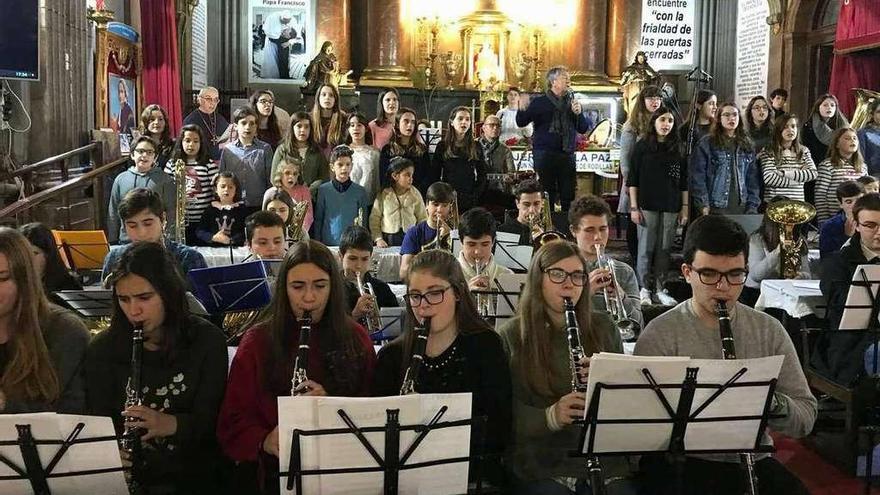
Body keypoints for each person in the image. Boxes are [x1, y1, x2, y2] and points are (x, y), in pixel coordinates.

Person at [635, 214, 816, 495]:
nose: (723, 287)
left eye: (735, 274)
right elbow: (638, 428)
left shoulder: (769, 329)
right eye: (709, 274)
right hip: (685, 461)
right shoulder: (660, 334)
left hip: (752, 456)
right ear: (686, 272)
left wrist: (769, 401)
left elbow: (805, 417)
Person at [216, 240, 377, 491]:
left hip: (341, 471)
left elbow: (374, 411)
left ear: (333, 288)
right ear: (284, 289)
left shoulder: (356, 338)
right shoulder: (257, 341)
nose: (309, 298)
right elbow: (231, 420)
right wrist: (265, 440)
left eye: (320, 286)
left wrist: (329, 405)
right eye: (297, 286)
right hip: (274, 474)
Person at [87, 241, 228, 492]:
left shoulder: (207, 341)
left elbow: (216, 425)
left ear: (168, 293)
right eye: (124, 299)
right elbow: (94, 422)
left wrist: (170, 424)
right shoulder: (103, 349)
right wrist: (107, 456)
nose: (134, 310)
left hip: (193, 479)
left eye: (144, 297)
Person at [373, 249, 512, 486]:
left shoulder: (486, 345)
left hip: (472, 477)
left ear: (457, 292)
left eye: (435, 293)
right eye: (415, 296)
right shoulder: (392, 357)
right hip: (407, 479)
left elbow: (500, 429)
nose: (423, 306)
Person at [498, 241, 625, 494]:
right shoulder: (511, 335)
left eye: (577, 275)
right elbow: (503, 415)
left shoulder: (604, 327)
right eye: (557, 274)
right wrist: (551, 416)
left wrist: (607, 381)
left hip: (604, 460)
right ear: (538, 279)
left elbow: (630, 402)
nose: (569, 284)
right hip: (543, 461)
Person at [0, 227, 89, 414]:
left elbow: (71, 417)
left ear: (25, 279)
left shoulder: (65, 332)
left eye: (2, 278)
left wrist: (6, 405)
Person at [628, 105, 688, 306]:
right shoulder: (642, 146)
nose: (666, 124)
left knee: (665, 249)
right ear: (654, 121)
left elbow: (684, 181)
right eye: (662, 120)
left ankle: (660, 288)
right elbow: (633, 179)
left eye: (670, 121)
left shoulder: (678, 147)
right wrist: (634, 207)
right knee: (645, 248)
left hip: (671, 204)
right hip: (647, 204)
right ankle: (644, 288)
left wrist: (685, 207)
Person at [818, 193, 880, 384]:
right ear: (856, 226)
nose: (879, 232)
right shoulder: (837, 263)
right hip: (853, 345)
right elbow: (843, 312)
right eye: (871, 225)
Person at [516, 66, 593, 212]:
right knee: (546, 193)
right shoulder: (540, 102)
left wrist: (578, 113)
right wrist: (522, 107)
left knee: (568, 194)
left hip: (566, 154)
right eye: (565, 77)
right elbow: (521, 122)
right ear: (554, 82)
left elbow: (582, 128)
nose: (569, 80)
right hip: (544, 154)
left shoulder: (572, 102)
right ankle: (547, 227)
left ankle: (566, 226)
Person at [102, 188, 207, 284]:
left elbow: (200, 303)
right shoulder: (114, 258)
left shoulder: (188, 259)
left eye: (148, 223)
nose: (141, 232)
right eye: (132, 226)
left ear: (163, 219)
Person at [569, 195, 645, 323]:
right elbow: (554, 321)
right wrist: (586, 293)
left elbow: (639, 324)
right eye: (589, 230)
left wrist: (622, 297)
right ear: (573, 231)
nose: (597, 237)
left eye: (603, 229)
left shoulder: (624, 271)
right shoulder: (563, 270)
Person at [618, 85, 663, 263]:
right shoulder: (633, 125)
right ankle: (636, 255)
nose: (655, 101)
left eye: (658, 98)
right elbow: (626, 156)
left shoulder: (664, 121)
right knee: (635, 219)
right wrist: (630, 182)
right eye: (651, 98)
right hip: (637, 179)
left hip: (656, 181)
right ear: (643, 101)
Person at [691, 102, 761, 215]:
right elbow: (698, 177)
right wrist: (703, 205)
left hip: (741, 207)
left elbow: (752, 179)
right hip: (715, 206)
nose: (731, 118)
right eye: (727, 115)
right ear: (719, 118)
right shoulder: (707, 143)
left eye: (735, 114)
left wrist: (752, 206)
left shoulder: (746, 144)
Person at [742, 195, 812, 306]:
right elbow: (756, 275)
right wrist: (778, 252)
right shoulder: (757, 239)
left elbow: (807, 273)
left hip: (787, 292)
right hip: (757, 294)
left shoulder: (799, 239)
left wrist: (800, 276)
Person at [108, 136, 177, 244]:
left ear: (155, 157)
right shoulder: (121, 179)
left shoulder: (165, 179)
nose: (144, 155)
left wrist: (169, 237)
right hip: (127, 241)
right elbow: (113, 211)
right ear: (132, 154)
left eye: (150, 152)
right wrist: (112, 239)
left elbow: (171, 211)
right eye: (140, 151)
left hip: (155, 241)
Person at [165, 124, 220, 244]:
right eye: (187, 140)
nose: (191, 145)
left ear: (201, 144)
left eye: (196, 141)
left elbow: (215, 190)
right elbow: (167, 189)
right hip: (180, 220)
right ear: (181, 142)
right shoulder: (172, 164)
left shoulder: (208, 164)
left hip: (203, 219)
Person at [338, 226, 398, 330]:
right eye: (352, 258)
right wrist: (355, 315)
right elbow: (329, 334)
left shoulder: (382, 288)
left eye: (365, 259)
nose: (359, 266)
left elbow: (396, 327)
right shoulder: (331, 289)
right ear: (341, 256)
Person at [219, 106, 274, 212]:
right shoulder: (228, 150)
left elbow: (270, 179)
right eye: (243, 123)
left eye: (252, 123)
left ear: (256, 126)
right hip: (234, 204)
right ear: (235, 126)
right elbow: (222, 177)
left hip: (258, 204)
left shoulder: (264, 149)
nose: (248, 127)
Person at [313, 145, 370, 245]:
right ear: (332, 167)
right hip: (328, 243)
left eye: (348, 164)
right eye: (340, 164)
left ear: (352, 166)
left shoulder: (360, 191)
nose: (344, 168)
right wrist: (318, 243)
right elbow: (319, 219)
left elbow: (363, 222)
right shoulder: (323, 190)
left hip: (352, 244)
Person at [399, 181, 455, 279]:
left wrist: (449, 237)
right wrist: (439, 238)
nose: (439, 210)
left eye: (445, 205)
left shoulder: (456, 234)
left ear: (450, 207)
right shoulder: (414, 232)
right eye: (435, 204)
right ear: (426, 205)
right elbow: (404, 272)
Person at [436, 106, 487, 213]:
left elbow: (482, 174)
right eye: (460, 119)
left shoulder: (476, 146)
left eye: (467, 119)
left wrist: (475, 195)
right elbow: (435, 174)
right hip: (448, 196)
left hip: (469, 196)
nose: (464, 122)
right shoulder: (442, 146)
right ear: (451, 122)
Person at [759, 113, 816, 203]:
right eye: (785, 127)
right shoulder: (769, 151)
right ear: (779, 130)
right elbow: (769, 178)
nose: (790, 130)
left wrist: (783, 173)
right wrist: (798, 181)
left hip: (798, 204)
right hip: (775, 204)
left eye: (793, 126)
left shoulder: (803, 150)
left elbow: (813, 174)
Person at [370, 156, 426, 247]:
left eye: (412, 175)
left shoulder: (415, 194)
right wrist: (378, 238)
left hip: (410, 237)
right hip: (388, 238)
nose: (411, 179)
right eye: (407, 175)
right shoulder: (384, 194)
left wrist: (420, 236)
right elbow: (374, 218)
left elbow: (422, 217)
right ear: (395, 176)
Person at [457, 207, 513, 298]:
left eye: (485, 244)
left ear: (493, 242)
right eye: (471, 244)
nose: (477, 252)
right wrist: (466, 296)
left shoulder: (507, 275)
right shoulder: (447, 275)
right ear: (461, 241)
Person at [815, 127, 867, 222]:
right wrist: (824, 221)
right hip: (835, 218)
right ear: (837, 144)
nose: (852, 140)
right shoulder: (827, 165)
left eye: (855, 138)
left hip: (860, 218)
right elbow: (820, 195)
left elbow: (867, 192)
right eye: (847, 138)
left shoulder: (863, 167)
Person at [378, 107, 433, 195]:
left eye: (413, 122)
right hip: (393, 196)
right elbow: (383, 177)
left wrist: (415, 193)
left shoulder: (422, 150)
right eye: (406, 121)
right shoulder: (388, 150)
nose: (410, 125)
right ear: (397, 124)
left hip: (416, 196)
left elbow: (427, 177)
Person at [18, 222, 83, 297]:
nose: (27, 259)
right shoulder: (14, 285)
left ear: (48, 255)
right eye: (23, 253)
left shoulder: (69, 286)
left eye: (34, 253)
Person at [271, 111, 329, 193]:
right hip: (287, 198)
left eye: (306, 127)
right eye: (299, 126)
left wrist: (309, 190)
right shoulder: (283, 150)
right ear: (292, 128)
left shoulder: (317, 151)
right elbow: (274, 177)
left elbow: (324, 177)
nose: (303, 130)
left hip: (311, 198)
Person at [262, 159, 313, 235]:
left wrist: (298, 232)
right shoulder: (271, 192)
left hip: (297, 234)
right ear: (280, 174)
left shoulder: (304, 191)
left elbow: (308, 215)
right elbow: (264, 216)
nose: (291, 177)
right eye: (287, 173)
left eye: (295, 174)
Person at [195, 171, 248, 247]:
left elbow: (246, 231)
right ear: (216, 189)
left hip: (236, 249)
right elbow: (200, 231)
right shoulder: (210, 209)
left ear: (236, 190)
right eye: (223, 186)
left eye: (230, 187)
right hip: (213, 250)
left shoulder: (242, 209)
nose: (226, 189)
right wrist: (213, 237)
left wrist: (232, 240)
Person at [819, 180, 865, 259]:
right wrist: (846, 237)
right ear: (840, 204)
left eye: (859, 200)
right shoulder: (830, 226)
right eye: (849, 201)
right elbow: (827, 260)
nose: (855, 205)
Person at [479, 114, 516, 213]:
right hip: (478, 191)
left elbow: (511, 173)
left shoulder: (505, 150)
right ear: (483, 128)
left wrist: (509, 178)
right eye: (491, 125)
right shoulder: (473, 146)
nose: (495, 128)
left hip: (498, 191)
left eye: (498, 126)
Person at [183, 86, 230, 161]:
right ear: (200, 99)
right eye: (208, 99)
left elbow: (229, 138)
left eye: (215, 100)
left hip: (221, 161)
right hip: (200, 161)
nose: (212, 103)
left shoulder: (220, 119)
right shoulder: (191, 120)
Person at [802, 93, 850, 165]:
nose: (829, 108)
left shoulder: (843, 127)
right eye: (825, 105)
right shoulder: (808, 127)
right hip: (814, 165)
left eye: (832, 105)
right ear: (818, 107)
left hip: (838, 165)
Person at [498, 179, 545, 246]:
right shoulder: (503, 231)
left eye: (536, 204)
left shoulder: (550, 231)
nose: (531, 210)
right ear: (517, 203)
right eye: (526, 204)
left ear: (542, 203)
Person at [347, 112, 380, 204]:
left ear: (365, 128)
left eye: (359, 125)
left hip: (367, 201)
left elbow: (377, 182)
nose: (355, 128)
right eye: (352, 125)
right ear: (348, 129)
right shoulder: (341, 150)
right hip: (345, 199)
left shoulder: (374, 153)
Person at [310, 83, 347, 157]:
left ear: (335, 99)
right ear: (318, 98)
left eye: (331, 95)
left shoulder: (343, 119)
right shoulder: (309, 118)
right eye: (323, 94)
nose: (327, 98)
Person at [679, 89, 717, 155]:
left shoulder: (717, 128)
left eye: (715, 104)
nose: (715, 107)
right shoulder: (685, 129)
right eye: (711, 103)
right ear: (698, 105)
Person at [260, 10, 294, 79]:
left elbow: (297, 37)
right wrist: (277, 36)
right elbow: (266, 31)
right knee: (272, 63)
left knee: (283, 61)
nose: (284, 24)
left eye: (286, 22)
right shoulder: (271, 17)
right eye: (283, 21)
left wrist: (289, 42)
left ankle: (283, 76)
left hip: (283, 43)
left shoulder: (292, 22)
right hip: (271, 44)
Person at [139, 104, 174, 169]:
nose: (157, 122)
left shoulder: (173, 145)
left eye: (160, 119)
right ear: (145, 122)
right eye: (152, 119)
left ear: (165, 122)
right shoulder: (138, 145)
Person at [859, 99, 880, 175]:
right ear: (872, 115)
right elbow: (861, 160)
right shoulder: (863, 133)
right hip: (873, 177)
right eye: (879, 112)